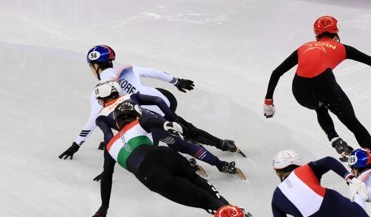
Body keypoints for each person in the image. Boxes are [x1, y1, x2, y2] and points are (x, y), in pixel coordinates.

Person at [85, 100, 263, 217]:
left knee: (202, 199)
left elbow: (107, 177)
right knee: (197, 181)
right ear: (135, 116)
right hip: (165, 155)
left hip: (150, 174)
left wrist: (104, 207)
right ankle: (233, 210)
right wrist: (167, 124)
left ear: (117, 122)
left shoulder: (109, 147)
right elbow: (151, 121)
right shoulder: (139, 122)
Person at [263, 16, 371, 158]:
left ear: (316, 36)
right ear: (336, 35)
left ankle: (333, 138)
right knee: (352, 123)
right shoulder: (341, 48)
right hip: (323, 85)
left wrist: (268, 101)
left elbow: (277, 72)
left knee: (319, 106)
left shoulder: (304, 47)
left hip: (300, 92)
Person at [59, 45, 238, 160]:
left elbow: (92, 122)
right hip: (164, 99)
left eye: (91, 66)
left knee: (152, 130)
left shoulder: (99, 92)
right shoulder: (126, 69)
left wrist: (76, 145)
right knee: (186, 127)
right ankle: (222, 143)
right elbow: (154, 72)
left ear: (95, 66)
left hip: (149, 114)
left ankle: (183, 154)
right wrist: (177, 81)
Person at [93, 80, 238, 175]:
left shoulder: (101, 116)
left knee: (155, 158)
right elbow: (157, 99)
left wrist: (107, 168)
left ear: (101, 99)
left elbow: (108, 138)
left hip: (139, 134)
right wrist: (173, 118)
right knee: (186, 146)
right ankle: (222, 165)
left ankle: (185, 165)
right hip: (156, 122)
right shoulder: (130, 96)